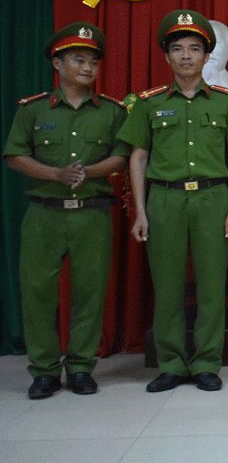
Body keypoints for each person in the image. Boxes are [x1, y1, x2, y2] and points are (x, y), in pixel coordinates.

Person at [117, 9, 228, 393]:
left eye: (195, 49)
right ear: (167, 57)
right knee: (168, 286)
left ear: (207, 56)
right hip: (165, 200)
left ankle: (208, 363)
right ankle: (172, 363)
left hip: (213, 197)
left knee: (212, 285)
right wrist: (141, 211)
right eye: (177, 49)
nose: (186, 56)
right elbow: (138, 157)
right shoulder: (148, 104)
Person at [3, 22, 128, 399]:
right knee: (38, 291)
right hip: (45, 212)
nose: (88, 68)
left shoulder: (111, 111)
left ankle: (80, 367)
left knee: (90, 292)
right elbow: (14, 155)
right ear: (57, 65)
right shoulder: (33, 109)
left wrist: (88, 172)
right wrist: (55, 174)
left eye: (92, 61)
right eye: (78, 60)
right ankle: (43, 370)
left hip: (92, 212)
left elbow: (122, 156)